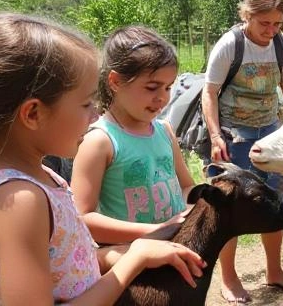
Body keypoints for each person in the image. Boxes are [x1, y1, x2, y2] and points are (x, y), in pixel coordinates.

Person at [0, 13, 205, 306]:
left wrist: (125, 253)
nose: (95, 115)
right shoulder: (19, 200)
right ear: (33, 114)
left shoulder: (40, 178)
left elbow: (66, 264)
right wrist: (132, 260)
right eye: (85, 104)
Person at [202, 0, 283, 302]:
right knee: (229, 209)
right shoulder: (230, 45)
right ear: (247, 14)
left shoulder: (282, 45)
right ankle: (229, 278)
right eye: (264, 23)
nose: (271, 30)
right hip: (233, 136)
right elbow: (209, 92)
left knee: (275, 204)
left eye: (277, 24)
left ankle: (274, 270)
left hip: (271, 133)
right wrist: (216, 135)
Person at [71, 25, 196, 245]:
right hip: (131, 262)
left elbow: (187, 186)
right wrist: (157, 230)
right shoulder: (100, 141)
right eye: (152, 87)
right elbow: (83, 218)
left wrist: (192, 212)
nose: (162, 98)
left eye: (168, 88)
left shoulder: (164, 131)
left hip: (175, 248)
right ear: (116, 82)